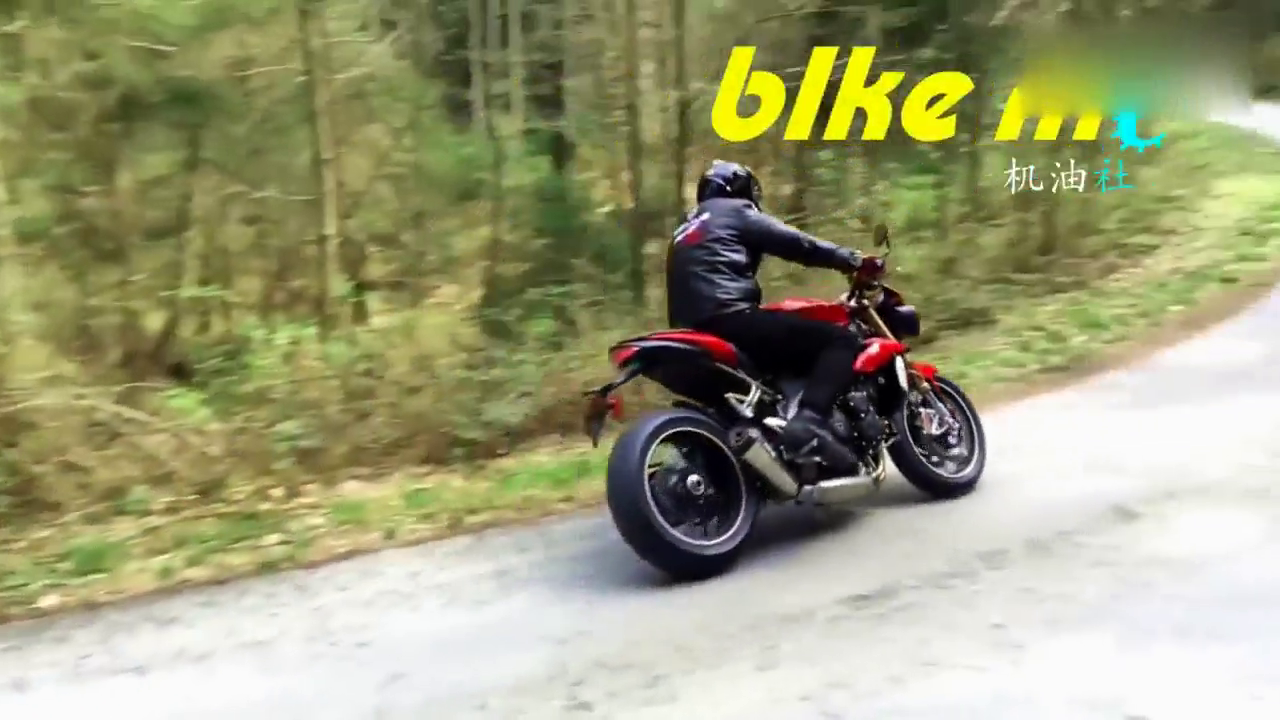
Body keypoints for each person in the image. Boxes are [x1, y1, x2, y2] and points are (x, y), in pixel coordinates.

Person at [666, 159, 882, 475]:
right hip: (731, 319)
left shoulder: (683, 229)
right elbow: (796, 243)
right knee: (841, 341)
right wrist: (851, 260)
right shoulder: (735, 211)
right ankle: (809, 422)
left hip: (690, 332)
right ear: (742, 189)